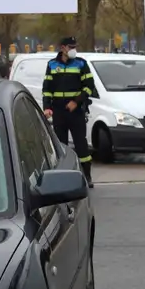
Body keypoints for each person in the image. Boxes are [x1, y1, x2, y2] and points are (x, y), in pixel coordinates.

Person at [43, 36, 97, 186]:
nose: (73, 49)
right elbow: (47, 89)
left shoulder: (81, 64)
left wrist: (76, 101)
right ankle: (63, 178)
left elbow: (89, 86)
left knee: (81, 145)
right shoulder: (52, 65)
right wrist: (47, 107)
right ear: (63, 48)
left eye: (75, 46)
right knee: (61, 145)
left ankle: (87, 176)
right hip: (59, 111)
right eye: (70, 46)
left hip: (76, 111)